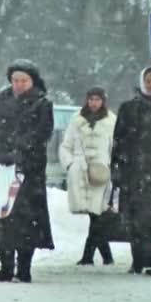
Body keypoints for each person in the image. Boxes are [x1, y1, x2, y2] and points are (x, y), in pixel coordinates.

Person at [0, 59, 54, 283]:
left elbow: (41, 133)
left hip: (29, 171)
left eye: (24, 80)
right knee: (4, 217)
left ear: (32, 81)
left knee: (28, 222)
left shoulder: (42, 103)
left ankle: (24, 268)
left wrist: (19, 151)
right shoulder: (1, 101)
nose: (19, 84)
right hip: (4, 169)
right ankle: (6, 267)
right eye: (15, 80)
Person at [59, 87, 116, 265]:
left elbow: (115, 146)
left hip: (101, 171)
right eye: (91, 99)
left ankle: (90, 257)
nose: (94, 103)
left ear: (103, 101)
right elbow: (66, 145)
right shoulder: (77, 120)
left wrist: (113, 167)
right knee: (95, 215)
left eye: (97, 99)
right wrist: (70, 165)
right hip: (80, 171)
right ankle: (103, 257)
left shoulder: (111, 121)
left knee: (97, 213)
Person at [111, 66, 151, 275]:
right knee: (134, 216)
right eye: (149, 80)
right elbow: (119, 139)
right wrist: (117, 166)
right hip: (134, 170)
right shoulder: (129, 108)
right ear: (142, 82)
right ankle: (138, 259)